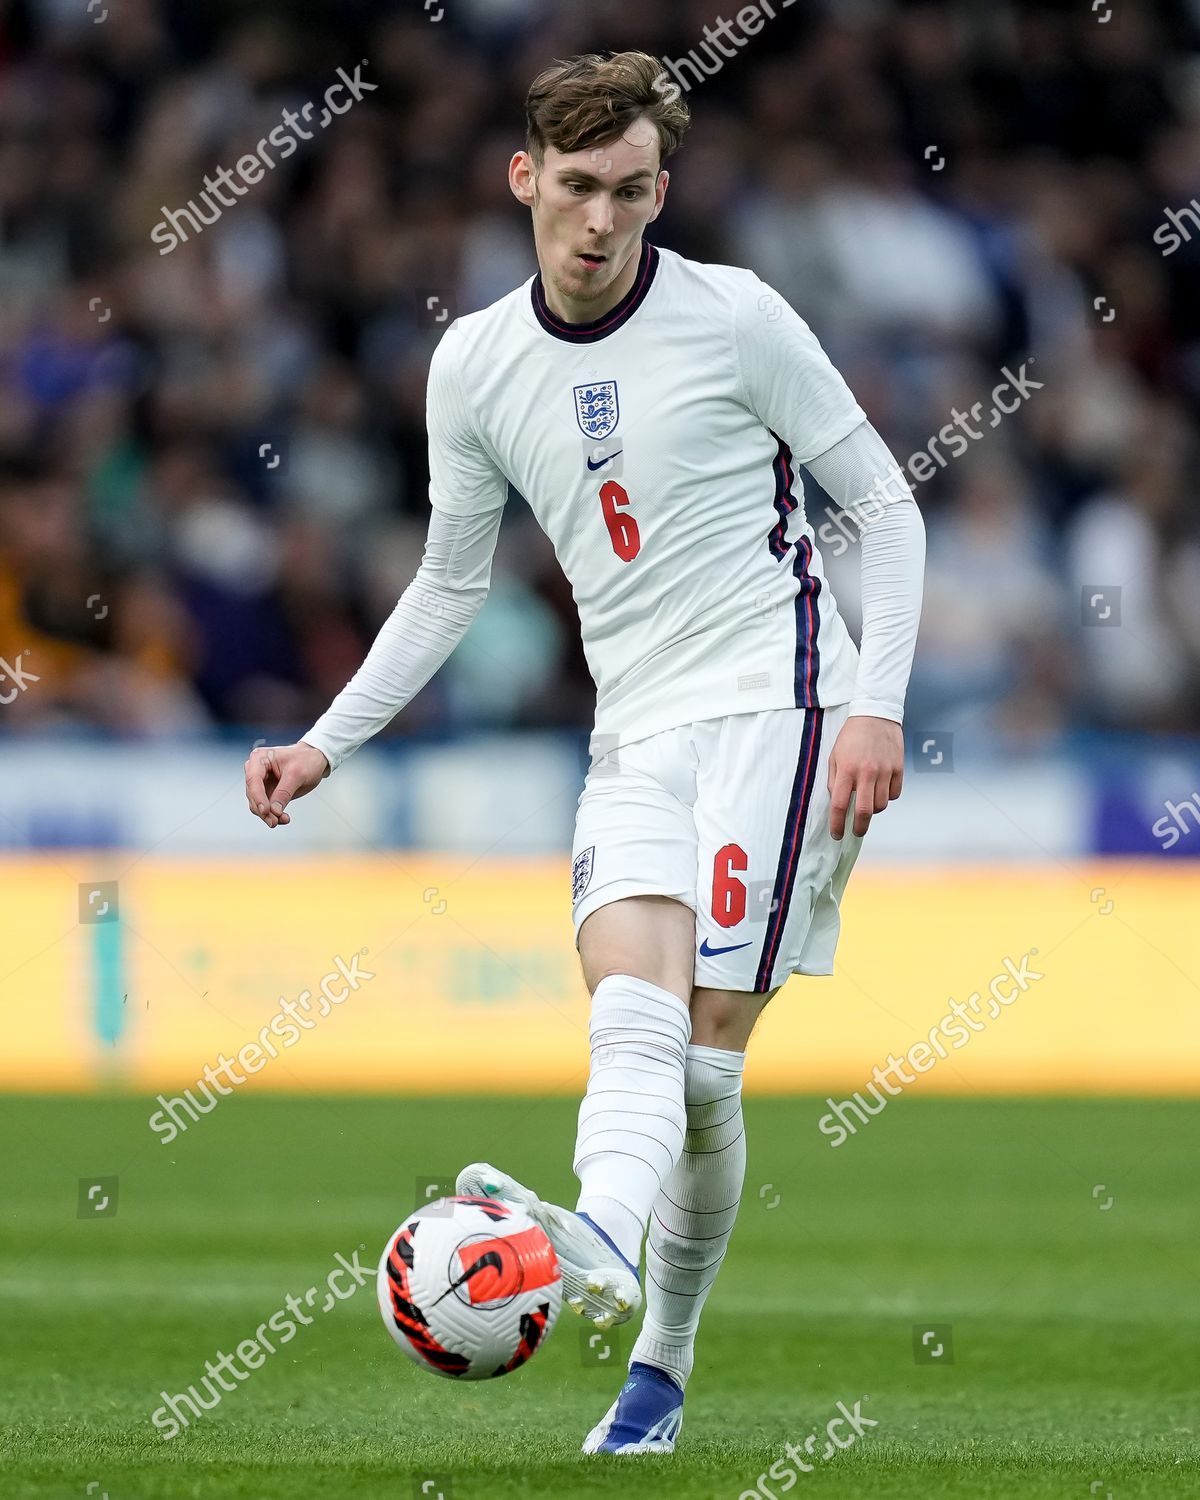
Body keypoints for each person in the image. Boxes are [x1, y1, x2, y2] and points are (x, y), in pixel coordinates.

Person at [244, 50, 925, 1456]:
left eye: (628, 191)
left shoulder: (737, 318)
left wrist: (879, 704)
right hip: (634, 731)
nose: (600, 222)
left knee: (706, 1073)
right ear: (524, 182)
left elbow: (886, 506)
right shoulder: (476, 363)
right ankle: (598, 1232)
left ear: (661, 189)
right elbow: (448, 583)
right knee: (631, 1010)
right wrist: (326, 740)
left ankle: (656, 1358)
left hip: (781, 707)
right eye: (575, 190)